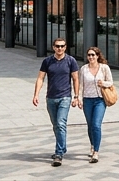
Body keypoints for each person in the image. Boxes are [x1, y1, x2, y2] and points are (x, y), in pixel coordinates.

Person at [34, 37, 82, 167]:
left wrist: (76, 96)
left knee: (61, 124)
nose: (59, 48)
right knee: (56, 125)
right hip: (50, 97)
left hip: (65, 97)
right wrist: (36, 94)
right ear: (53, 47)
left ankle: (59, 153)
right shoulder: (47, 61)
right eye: (57, 46)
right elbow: (40, 78)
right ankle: (62, 147)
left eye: (62, 46)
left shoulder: (71, 61)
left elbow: (75, 79)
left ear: (65, 47)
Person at [79, 46, 114, 163]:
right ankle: (92, 145)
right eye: (89, 55)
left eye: (93, 55)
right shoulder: (84, 69)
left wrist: (103, 83)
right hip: (87, 100)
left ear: (98, 56)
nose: (91, 57)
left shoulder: (104, 68)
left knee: (96, 125)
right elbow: (81, 85)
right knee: (90, 125)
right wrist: (79, 99)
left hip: (100, 100)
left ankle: (96, 152)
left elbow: (111, 82)